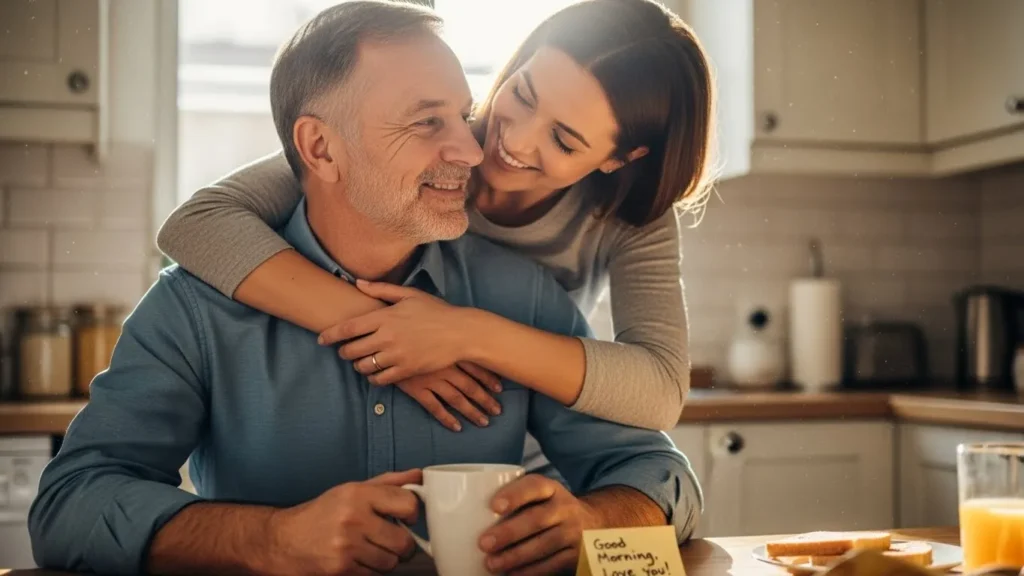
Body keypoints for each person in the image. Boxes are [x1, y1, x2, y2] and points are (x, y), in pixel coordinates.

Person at [28, 3, 703, 576]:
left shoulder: (529, 296)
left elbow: (662, 475)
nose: (479, 149)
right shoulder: (198, 306)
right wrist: (274, 539)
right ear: (320, 151)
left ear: (617, 158)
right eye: (426, 122)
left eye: (461, 115)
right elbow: (68, 508)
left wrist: (590, 520)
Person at [156, 0, 716, 444]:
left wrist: (461, 334)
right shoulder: (428, 143)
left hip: (530, 454)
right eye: (521, 95)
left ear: (620, 158)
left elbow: (661, 390)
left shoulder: (628, 216)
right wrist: (388, 335)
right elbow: (196, 224)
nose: (512, 140)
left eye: (564, 139)